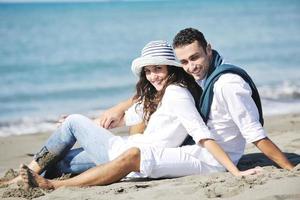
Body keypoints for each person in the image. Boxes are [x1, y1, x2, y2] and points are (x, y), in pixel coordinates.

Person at [6, 40, 257, 190]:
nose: (153, 76)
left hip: (124, 155)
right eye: (148, 71)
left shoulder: (177, 95)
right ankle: (24, 179)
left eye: (158, 69)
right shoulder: (162, 94)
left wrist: (234, 172)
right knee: (60, 162)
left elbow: (201, 134)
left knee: (73, 120)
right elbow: (128, 115)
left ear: (171, 68)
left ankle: (26, 173)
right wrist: (104, 120)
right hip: (121, 148)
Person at [99, 28, 294, 172]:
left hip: (213, 157)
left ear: (208, 49)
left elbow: (254, 133)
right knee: (140, 131)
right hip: (200, 147)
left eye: (195, 58)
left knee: (133, 157)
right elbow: (152, 96)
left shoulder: (227, 85)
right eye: (184, 62)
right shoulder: (202, 76)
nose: (191, 67)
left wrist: (289, 169)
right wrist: (119, 107)